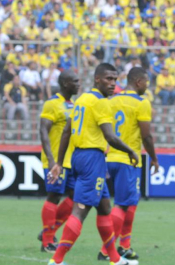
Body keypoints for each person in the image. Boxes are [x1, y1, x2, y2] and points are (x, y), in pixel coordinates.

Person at [47, 63, 139, 265]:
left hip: (80, 156)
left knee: (105, 208)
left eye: (115, 79)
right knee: (81, 210)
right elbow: (110, 136)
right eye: (108, 79)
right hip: (92, 158)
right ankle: (56, 260)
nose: (113, 83)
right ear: (97, 79)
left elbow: (66, 131)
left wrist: (60, 163)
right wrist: (131, 150)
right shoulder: (100, 102)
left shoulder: (82, 99)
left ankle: (115, 259)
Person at [97, 67, 160, 261]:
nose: (147, 86)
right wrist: (154, 158)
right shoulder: (141, 103)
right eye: (147, 82)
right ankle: (106, 249)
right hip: (128, 160)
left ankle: (124, 245)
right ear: (139, 82)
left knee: (131, 202)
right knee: (123, 205)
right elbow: (146, 136)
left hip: (110, 157)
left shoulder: (112, 100)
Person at [38, 69, 80, 253]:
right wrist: (51, 160)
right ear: (65, 84)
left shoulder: (75, 104)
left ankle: (50, 230)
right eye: (75, 81)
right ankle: (47, 241)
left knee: (75, 198)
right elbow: (43, 131)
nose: (78, 84)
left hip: (72, 160)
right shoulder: (52, 104)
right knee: (54, 196)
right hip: (56, 160)